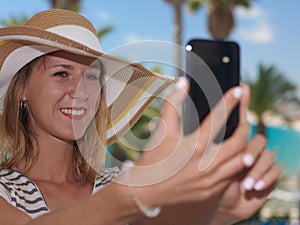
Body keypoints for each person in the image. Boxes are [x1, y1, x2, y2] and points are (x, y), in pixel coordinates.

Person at [0, 9, 280, 225]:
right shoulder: (6, 190)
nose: (81, 91)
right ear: (21, 89)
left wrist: (219, 211)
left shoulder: (114, 184)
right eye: (62, 73)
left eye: (93, 77)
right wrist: (134, 194)